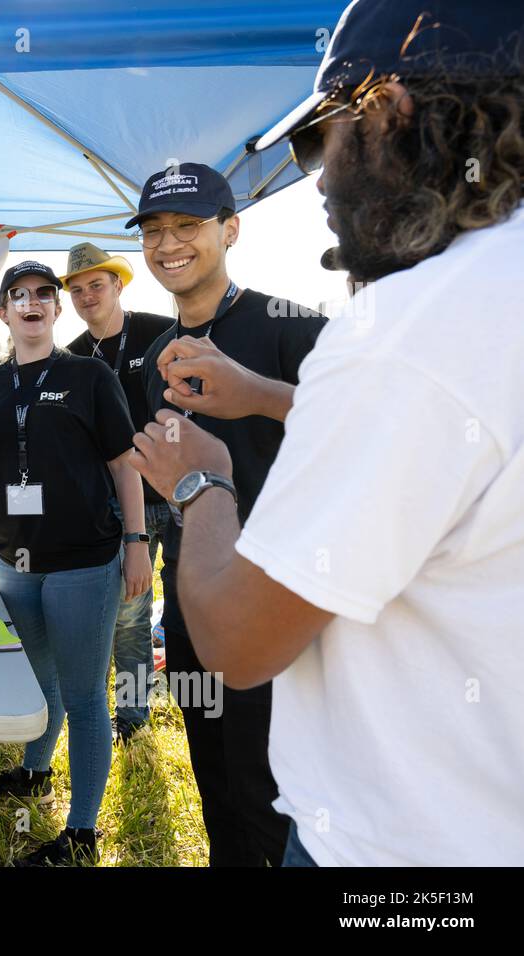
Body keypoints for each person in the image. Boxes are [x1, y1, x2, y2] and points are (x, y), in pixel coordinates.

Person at [129, 0, 524, 866]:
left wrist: (202, 484)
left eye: (322, 140)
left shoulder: (400, 330)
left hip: (391, 849)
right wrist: (270, 397)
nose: (316, 180)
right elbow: (439, 446)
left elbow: (238, 642)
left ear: (388, 114)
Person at [0, 262, 151, 865]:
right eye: (20, 296)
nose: (33, 303)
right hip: (14, 562)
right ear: (4, 312)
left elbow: (125, 463)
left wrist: (138, 541)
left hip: (83, 561)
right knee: (40, 680)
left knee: (85, 692)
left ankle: (83, 831)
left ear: (55, 311)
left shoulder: (88, 375)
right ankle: (36, 769)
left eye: (44, 295)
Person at [127, 162, 326, 866]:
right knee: (213, 779)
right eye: (153, 230)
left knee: (268, 789)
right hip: (191, 595)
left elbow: (367, 428)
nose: (168, 243)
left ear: (230, 230)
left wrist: (260, 394)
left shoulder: (293, 326)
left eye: (188, 226)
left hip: (275, 600)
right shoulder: (155, 357)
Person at [62, 243, 176, 742]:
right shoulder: (68, 357)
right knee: (129, 615)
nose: (88, 296)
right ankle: (132, 719)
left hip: (179, 496)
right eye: (78, 289)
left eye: (97, 285)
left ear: (118, 285)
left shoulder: (159, 332)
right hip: (121, 506)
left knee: (191, 608)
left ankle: (207, 709)